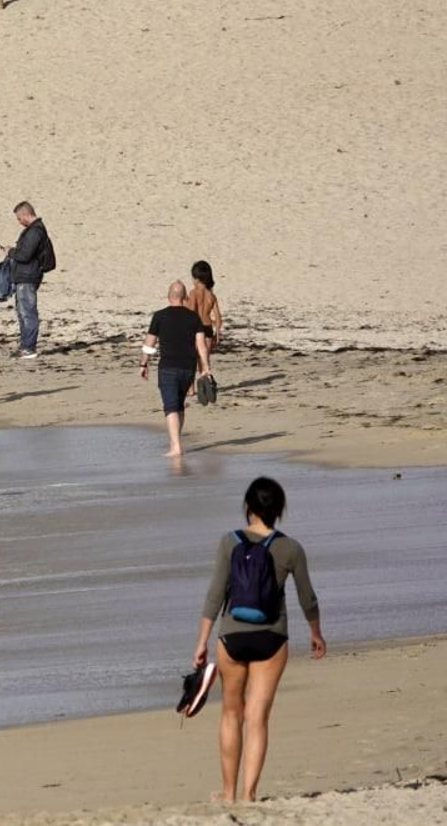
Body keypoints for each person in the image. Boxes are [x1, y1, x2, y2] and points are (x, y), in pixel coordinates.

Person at [191, 476, 325, 803]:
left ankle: (228, 792)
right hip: (271, 637)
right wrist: (315, 632)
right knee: (258, 716)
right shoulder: (291, 548)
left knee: (231, 713)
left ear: (248, 508)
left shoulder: (229, 542)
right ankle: (250, 793)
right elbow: (307, 597)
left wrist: (202, 641)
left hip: (232, 638)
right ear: (279, 511)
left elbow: (215, 595)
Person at [140, 279, 213, 457]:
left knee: (171, 406)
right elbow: (201, 346)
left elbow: (149, 344)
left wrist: (144, 363)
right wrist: (205, 368)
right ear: (185, 297)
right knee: (179, 406)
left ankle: (176, 447)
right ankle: (175, 441)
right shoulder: (193, 317)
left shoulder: (159, 316)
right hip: (188, 367)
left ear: (168, 297)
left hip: (168, 367)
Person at [0, 201, 53, 359]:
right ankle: (25, 346)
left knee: (27, 313)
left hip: (28, 277)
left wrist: (11, 251)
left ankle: (29, 348)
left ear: (26, 215)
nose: (19, 222)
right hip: (25, 276)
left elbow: (24, 255)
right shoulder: (33, 231)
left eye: (20, 218)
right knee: (23, 312)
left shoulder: (35, 232)